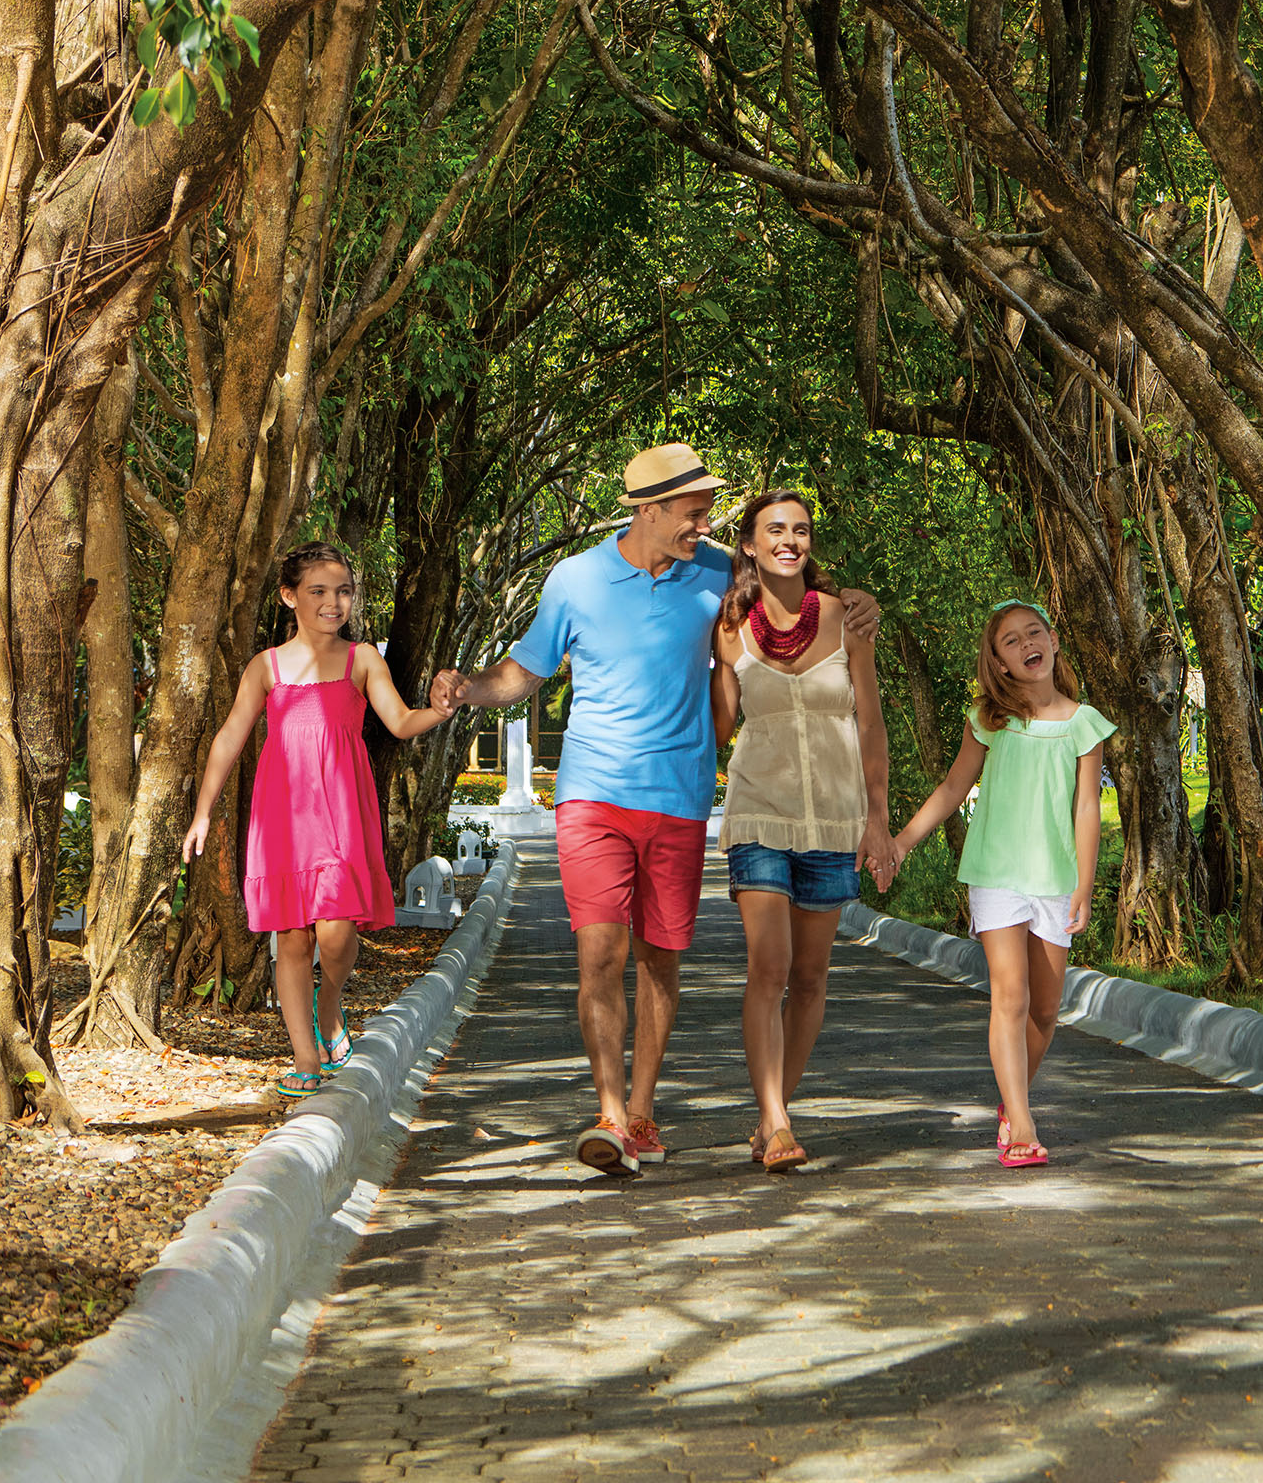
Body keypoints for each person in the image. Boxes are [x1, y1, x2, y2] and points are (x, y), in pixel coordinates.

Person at [434, 443, 867, 1178]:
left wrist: (859, 602)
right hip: (593, 792)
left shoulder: (718, 572)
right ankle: (607, 1112)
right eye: (693, 513)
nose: (704, 525)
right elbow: (524, 670)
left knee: (659, 960)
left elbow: (794, 585)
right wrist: (467, 687)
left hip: (679, 798)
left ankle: (641, 1112)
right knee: (598, 954)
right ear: (649, 509)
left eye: (706, 513)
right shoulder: (575, 580)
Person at [183, 544, 455, 1103]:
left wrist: (443, 710)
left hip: (341, 810)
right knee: (291, 938)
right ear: (289, 596)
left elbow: (401, 723)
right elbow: (231, 736)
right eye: (320, 592)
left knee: (336, 930)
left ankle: (328, 1002)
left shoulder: (363, 660)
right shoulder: (266, 666)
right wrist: (203, 812)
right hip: (282, 813)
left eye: (344, 592)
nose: (335, 603)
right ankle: (305, 1057)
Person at [877, 598, 1112, 1169]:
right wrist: (902, 842)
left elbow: (1087, 807)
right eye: (1011, 640)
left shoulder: (1084, 723)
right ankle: (1023, 1122)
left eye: (1035, 632)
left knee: (1046, 1009)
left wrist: (1084, 883)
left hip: (1055, 879)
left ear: (1054, 642)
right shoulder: (990, 719)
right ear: (999, 662)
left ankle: (1012, 1101)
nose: (1027, 643)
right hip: (997, 874)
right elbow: (954, 787)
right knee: (1010, 996)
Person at [711, 489, 890, 1172]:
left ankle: (770, 1115)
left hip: (836, 821)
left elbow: (870, 724)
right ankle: (778, 1121)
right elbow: (722, 726)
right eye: (775, 529)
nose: (790, 539)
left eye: (802, 529)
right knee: (771, 967)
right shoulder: (729, 628)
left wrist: (878, 821)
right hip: (759, 812)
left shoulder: (849, 620)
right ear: (751, 546)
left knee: (812, 978)